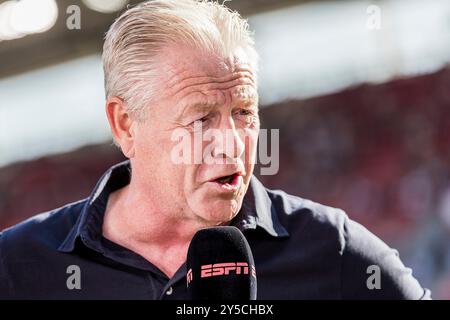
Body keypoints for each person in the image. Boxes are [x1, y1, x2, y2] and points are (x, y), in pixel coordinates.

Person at [0, 0, 430, 299]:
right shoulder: (17, 267)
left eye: (243, 112)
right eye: (201, 118)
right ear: (125, 124)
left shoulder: (334, 250)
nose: (232, 141)